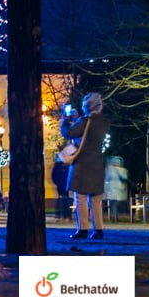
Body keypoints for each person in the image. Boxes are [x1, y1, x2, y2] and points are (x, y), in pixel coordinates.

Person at [61, 91, 110, 239]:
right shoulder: (104, 122)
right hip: (96, 163)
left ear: (87, 106)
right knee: (95, 198)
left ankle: (82, 229)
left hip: (82, 164)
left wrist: (65, 120)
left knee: (80, 197)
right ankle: (98, 229)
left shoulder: (84, 121)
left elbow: (68, 133)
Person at [104, 156, 129, 223]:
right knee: (115, 204)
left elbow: (106, 179)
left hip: (112, 190)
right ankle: (115, 217)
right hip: (120, 190)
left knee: (113, 204)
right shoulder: (122, 170)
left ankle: (115, 217)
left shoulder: (109, 169)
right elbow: (125, 178)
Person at [51, 155, 71, 220]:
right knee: (62, 199)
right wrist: (57, 183)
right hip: (61, 185)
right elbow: (54, 176)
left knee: (65, 199)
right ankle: (60, 215)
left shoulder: (67, 166)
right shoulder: (58, 166)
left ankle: (65, 215)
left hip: (65, 185)